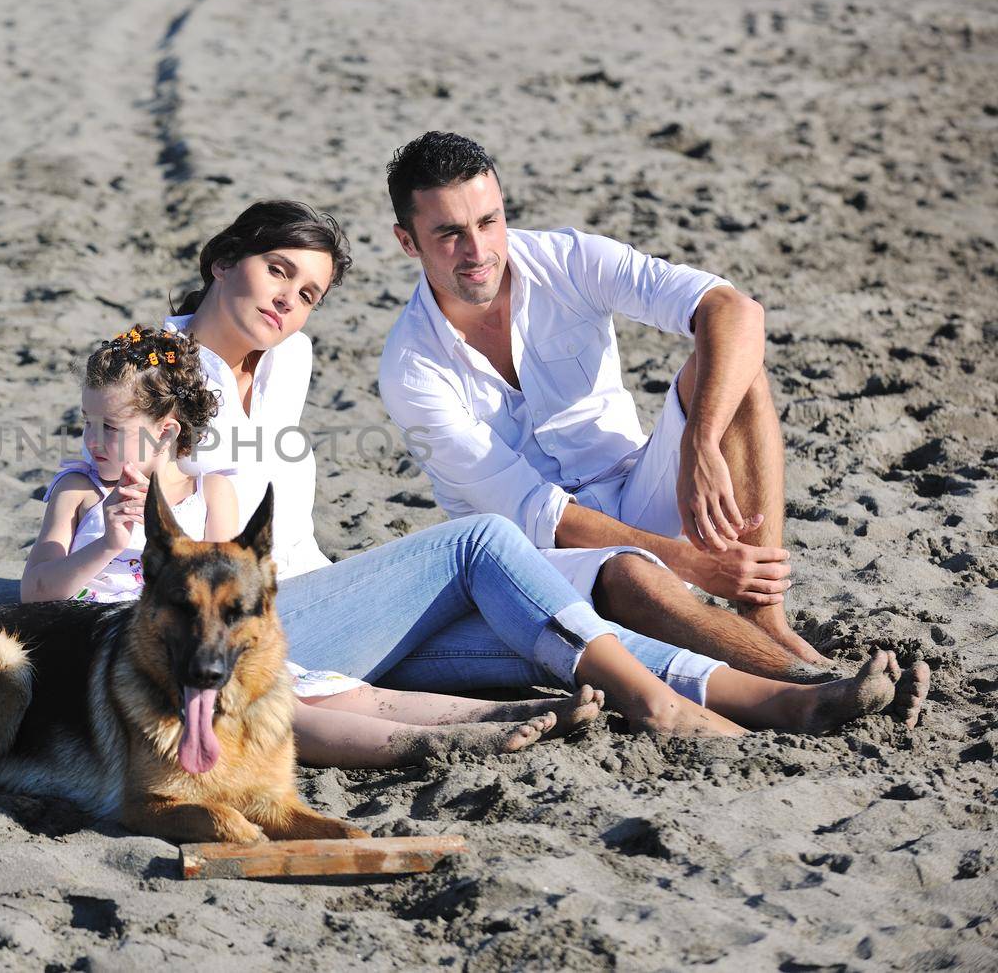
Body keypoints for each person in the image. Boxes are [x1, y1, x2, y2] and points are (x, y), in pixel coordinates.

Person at [168, 200, 930, 743]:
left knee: (562, 639)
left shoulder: (285, 358)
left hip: (335, 619)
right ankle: (666, 709)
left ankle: (797, 698)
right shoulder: (157, 374)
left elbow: (734, 311)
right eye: (276, 272)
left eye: (308, 293)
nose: (288, 302)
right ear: (221, 260)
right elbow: (113, 510)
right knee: (480, 543)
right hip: (243, 628)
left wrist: (698, 442)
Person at [377, 132, 889, 686]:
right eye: (450, 234)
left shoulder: (568, 259)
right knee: (629, 573)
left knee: (733, 375)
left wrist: (700, 443)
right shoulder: (411, 368)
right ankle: (806, 680)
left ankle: (766, 620)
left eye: (488, 221)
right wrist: (695, 566)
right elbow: (541, 517)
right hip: (540, 557)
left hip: (638, 487)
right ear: (408, 242)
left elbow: (732, 309)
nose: (478, 252)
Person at [22, 324, 588, 765]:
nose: (93, 441)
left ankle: (510, 710)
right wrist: (106, 546)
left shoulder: (209, 491)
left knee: (337, 691)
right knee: (279, 711)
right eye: (88, 423)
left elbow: (224, 590)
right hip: (118, 647)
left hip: (202, 641)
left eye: (111, 428)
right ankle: (435, 746)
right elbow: (36, 592)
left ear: (167, 431)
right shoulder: (79, 492)